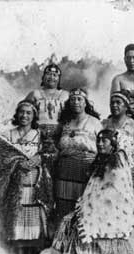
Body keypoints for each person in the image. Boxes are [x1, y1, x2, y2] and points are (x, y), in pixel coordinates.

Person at [32, 130, 134, 254]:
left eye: (104, 141)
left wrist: (91, 209)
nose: (100, 144)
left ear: (113, 144)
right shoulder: (102, 159)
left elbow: (117, 193)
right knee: (67, 220)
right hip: (95, 206)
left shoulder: (118, 161)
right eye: (98, 140)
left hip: (111, 212)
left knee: (78, 225)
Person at [0, 101, 53, 254]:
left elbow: (52, 153)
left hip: (36, 187)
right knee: (18, 222)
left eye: (28, 113)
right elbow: (1, 160)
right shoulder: (7, 136)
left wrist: (41, 158)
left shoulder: (41, 135)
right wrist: (17, 162)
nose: (24, 116)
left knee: (35, 222)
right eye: (21, 112)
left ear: (34, 116)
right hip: (17, 187)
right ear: (16, 114)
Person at [53, 88, 102, 232]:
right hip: (65, 170)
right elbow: (57, 145)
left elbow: (101, 146)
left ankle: (80, 243)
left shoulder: (95, 122)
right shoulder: (65, 123)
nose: (76, 102)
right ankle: (62, 240)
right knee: (63, 206)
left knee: (82, 206)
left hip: (85, 169)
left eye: (80, 99)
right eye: (73, 99)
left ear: (86, 102)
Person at [102, 91, 134, 215]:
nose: (114, 105)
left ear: (126, 106)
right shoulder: (104, 124)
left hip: (130, 175)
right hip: (108, 174)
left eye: (118, 102)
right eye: (112, 103)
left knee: (128, 213)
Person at [25, 64, 69, 169]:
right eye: (48, 74)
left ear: (59, 79)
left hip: (59, 136)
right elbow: (24, 112)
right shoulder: (34, 94)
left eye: (55, 75)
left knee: (57, 167)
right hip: (38, 135)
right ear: (43, 77)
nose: (51, 77)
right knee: (36, 167)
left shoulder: (65, 95)